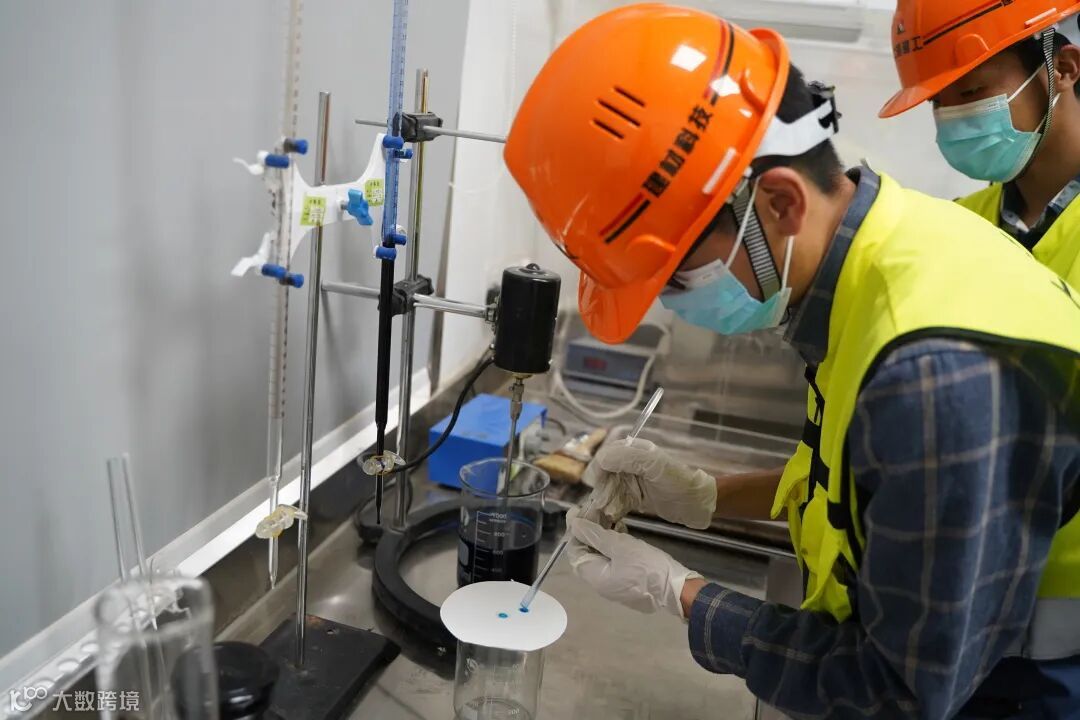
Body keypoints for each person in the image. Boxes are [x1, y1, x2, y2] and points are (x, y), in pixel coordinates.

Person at [503, 5, 1080, 719]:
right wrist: (705, 495)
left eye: (676, 275)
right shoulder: (882, 258)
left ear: (777, 203)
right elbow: (864, 483)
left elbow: (896, 694)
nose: (675, 303)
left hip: (1019, 694)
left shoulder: (934, 370)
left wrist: (682, 594)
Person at [881, 0, 1080, 288]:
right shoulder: (959, 222)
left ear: (1063, 69)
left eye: (972, 91)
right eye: (936, 101)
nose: (954, 116)